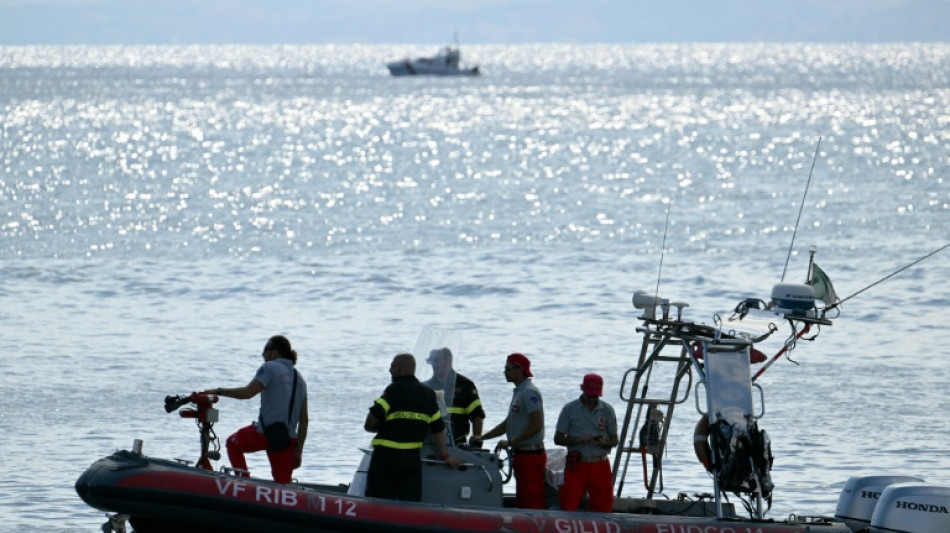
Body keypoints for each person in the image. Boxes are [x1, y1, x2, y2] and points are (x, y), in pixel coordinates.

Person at [203, 335, 308, 484]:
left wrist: (218, 391)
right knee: (283, 485)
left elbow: (247, 393)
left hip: (264, 434)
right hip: (287, 440)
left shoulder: (269, 368)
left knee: (232, 444)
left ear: (274, 352)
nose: (263, 355)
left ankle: (243, 484)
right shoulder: (300, 379)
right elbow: (304, 420)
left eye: (265, 350)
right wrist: (298, 451)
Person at [363, 353, 461, 501]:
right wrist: (446, 456)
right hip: (410, 459)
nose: (390, 370)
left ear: (402, 368)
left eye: (393, 366)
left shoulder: (393, 390)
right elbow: (438, 430)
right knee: (410, 501)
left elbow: (371, 419)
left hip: (385, 458)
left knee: (376, 500)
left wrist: (373, 428)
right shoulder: (428, 394)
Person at [472, 352, 546, 509]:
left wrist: (511, 442)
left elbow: (536, 425)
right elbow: (508, 424)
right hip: (521, 455)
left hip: (531, 457)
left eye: (507, 368)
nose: (504, 371)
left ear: (519, 369)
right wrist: (483, 437)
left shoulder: (529, 393)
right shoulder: (519, 392)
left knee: (532, 499)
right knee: (523, 498)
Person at [553, 373, 619, 512]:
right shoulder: (569, 409)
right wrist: (579, 440)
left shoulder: (607, 410)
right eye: (590, 395)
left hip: (600, 465)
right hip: (576, 464)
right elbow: (558, 439)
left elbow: (615, 440)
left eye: (596, 396)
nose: (592, 399)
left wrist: (604, 443)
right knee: (569, 504)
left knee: (603, 505)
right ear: (582, 389)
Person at [422, 347, 486, 446]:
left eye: (436, 360)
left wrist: (477, 440)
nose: (433, 364)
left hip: (457, 444)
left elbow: (477, 416)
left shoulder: (465, 385)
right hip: (429, 443)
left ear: (448, 360)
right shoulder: (426, 387)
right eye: (431, 361)